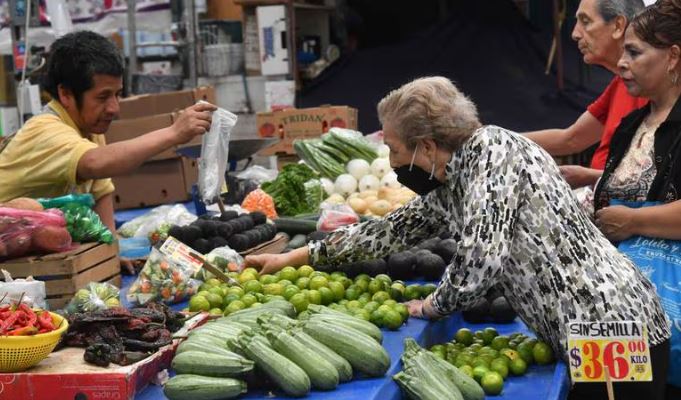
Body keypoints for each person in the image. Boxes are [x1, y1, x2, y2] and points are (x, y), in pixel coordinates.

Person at [246, 76, 671, 399]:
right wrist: (295, 257)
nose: (392, 161)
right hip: (582, 326)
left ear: (426, 146)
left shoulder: (493, 151)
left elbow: (480, 260)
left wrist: (434, 305)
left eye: (394, 149)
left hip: (608, 322)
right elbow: (387, 232)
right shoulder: (454, 181)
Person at [0, 31, 214, 271]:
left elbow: (101, 191)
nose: (114, 108)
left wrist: (110, 253)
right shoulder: (44, 130)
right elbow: (95, 163)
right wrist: (173, 133)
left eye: (117, 94)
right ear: (66, 94)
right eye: (103, 97)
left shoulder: (89, 128)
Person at [525, 0, 648, 189]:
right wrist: (495, 137)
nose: (575, 34)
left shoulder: (655, 88)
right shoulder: (619, 85)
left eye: (586, 21)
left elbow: (656, 175)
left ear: (618, 26)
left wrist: (589, 176)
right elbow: (571, 138)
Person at [593, 0, 681, 245]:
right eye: (623, 52)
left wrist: (635, 220)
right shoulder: (629, 126)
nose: (621, 62)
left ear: (672, 57)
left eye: (633, 52)